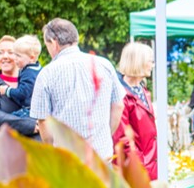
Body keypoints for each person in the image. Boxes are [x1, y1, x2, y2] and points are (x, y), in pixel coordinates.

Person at [30, 18, 125, 160]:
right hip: (101, 158)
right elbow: (118, 106)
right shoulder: (104, 64)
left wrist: (51, 148)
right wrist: (104, 136)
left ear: (54, 43)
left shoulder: (46, 74)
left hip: (67, 161)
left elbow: (42, 121)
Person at [0, 36, 39, 141]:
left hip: (33, 146)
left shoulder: (34, 79)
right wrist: (29, 125)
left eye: (10, 52)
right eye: (0, 52)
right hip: (5, 146)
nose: (5, 56)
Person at [112, 42, 157, 179]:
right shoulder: (121, 95)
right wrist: (140, 168)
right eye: (151, 61)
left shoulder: (142, 89)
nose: (153, 65)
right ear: (139, 62)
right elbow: (122, 138)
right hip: (136, 170)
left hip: (150, 165)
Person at [0, 35, 42, 118]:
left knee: (9, 120)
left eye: (18, 56)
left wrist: (7, 90)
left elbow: (23, 93)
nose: (15, 58)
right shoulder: (38, 68)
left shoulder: (29, 73)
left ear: (31, 58)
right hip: (33, 109)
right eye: (14, 54)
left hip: (29, 110)